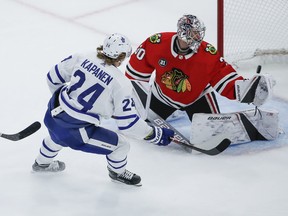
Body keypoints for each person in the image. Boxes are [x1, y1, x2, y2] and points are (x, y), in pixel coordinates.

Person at [32, 33, 175, 187]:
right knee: (121, 145)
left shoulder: (83, 56)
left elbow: (52, 78)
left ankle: (42, 164)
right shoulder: (121, 83)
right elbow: (128, 125)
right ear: (121, 57)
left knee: (56, 135)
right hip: (75, 130)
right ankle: (117, 173)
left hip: (53, 115)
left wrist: (66, 105)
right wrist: (154, 134)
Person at [125, 14, 276, 144]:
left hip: (198, 98)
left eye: (200, 33)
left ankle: (181, 110)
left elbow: (224, 79)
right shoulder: (157, 43)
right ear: (183, 32)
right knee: (140, 123)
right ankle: (175, 111)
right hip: (162, 96)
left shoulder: (208, 54)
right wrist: (133, 99)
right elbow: (135, 73)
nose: (199, 36)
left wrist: (246, 89)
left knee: (213, 135)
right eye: (194, 33)